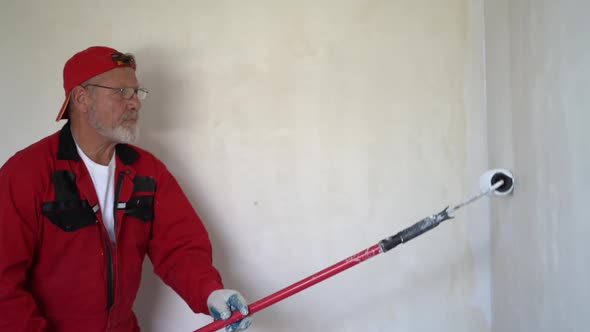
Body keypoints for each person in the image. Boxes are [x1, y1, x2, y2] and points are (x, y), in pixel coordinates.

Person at [0, 46, 252, 332]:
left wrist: (209, 291)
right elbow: (2, 285)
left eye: (136, 92)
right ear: (82, 98)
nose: (136, 103)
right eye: (122, 93)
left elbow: (180, 248)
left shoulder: (148, 172)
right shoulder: (26, 174)